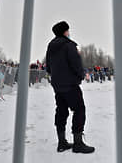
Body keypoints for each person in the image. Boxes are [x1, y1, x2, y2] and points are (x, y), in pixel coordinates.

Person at [45, 21, 95, 154]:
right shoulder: (69, 45)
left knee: (61, 111)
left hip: (57, 85)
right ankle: (78, 143)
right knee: (79, 110)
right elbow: (76, 64)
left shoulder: (51, 46)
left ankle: (61, 142)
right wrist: (80, 76)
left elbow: (48, 67)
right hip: (70, 85)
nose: (69, 32)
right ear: (64, 31)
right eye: (68, 30)